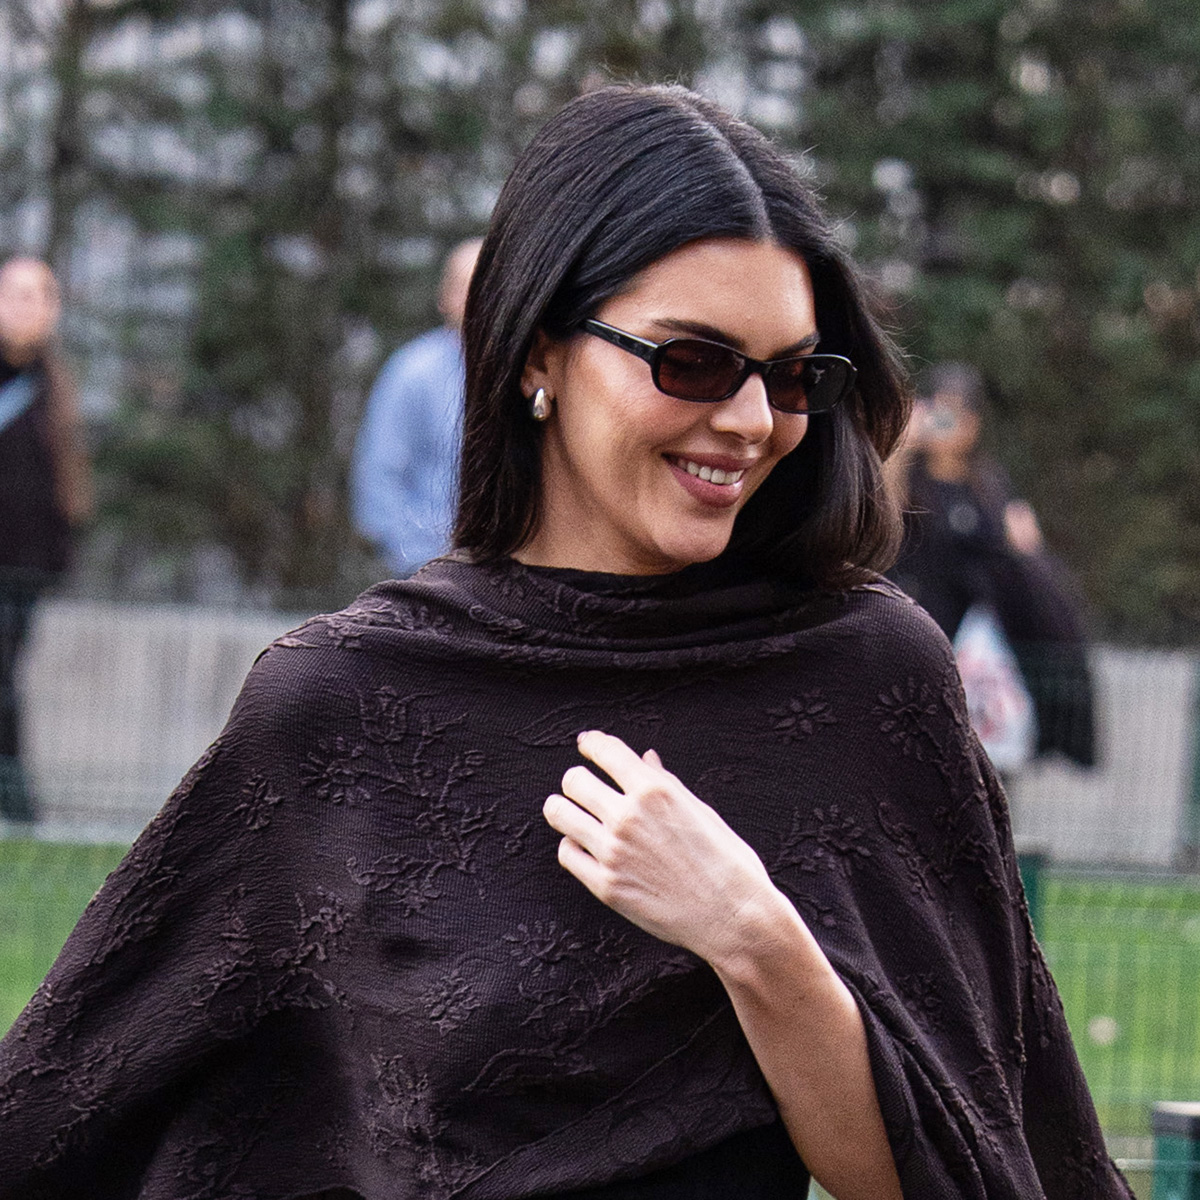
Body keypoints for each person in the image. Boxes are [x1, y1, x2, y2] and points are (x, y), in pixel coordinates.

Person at [0, 86, 1130, 1200]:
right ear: (539, 351)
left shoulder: (864, 679)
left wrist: (755, 938)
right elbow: (83, 1108)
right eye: (692, 361)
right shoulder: (340, 702)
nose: (748, 420)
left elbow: (950, 1165)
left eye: (792, 375)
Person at [889, 362, 1096, 768]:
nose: (948, 427)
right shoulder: (907, 479)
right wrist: (900, 445)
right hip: (920, 639)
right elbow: (880, 521)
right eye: (940, 412)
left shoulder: (989, 485)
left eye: (958, 416)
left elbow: (1024, 559)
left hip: (983, 662)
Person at [0, 256, 92, 825]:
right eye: (15, 293)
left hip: (21, 572)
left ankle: (15, 803)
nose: (27, 306)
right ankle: (17, 803)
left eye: (41, 295)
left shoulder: (55, 388)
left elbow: (65, 484)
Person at [351, 238, 483, 576]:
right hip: (426, 572)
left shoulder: (528, 373)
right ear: (445, 297)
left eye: (488, 285)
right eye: (466, 287)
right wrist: (420, 561)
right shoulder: (413, 372)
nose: (477, 299)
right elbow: (379, 477)